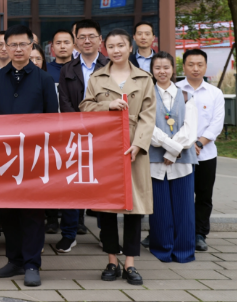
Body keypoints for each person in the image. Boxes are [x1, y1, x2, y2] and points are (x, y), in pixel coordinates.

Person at [0, 25, 58, 288]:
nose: (16, 49)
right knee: (8, 212)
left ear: (31, 46)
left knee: (32, 213)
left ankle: (32, 264)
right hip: (4, 158)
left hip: (34, 158)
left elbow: (52, 120)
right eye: (11, 44)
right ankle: (14, 260)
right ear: (4, 47)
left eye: (22, 44)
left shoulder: (43, 79)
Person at [80, 28, 155, 286]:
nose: (116, 50)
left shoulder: (144, 78)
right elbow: (85, 108)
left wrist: (139, 144)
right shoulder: (97, 77)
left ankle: (130, 263)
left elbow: (149, 115)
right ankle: (111, 260)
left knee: (134, 207)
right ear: (105, 49)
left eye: (121, 45)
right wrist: (107, 106)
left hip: (134, 148)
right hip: (106, 146)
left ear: (130, 47)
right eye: (111, 46)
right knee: (107, 208)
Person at [54, 18, 107, 244]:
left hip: (104, 135)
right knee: (72, 185)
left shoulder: (109, 66)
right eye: (82, 37)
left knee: (104, 185)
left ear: (100, 40)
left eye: (91, 36)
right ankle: (69, 234)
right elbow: (64, 102)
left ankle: (107, 234)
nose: (87, 41)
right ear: (76, 41)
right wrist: (80, 126)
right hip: (75, 135)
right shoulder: (68, 69)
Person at [147, 51, 197, 263]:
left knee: (184, 210)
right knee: (160, 211)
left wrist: (172, 151)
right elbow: (148, 128)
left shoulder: (186, 96)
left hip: (182, 163)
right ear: (152, 70)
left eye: (166, 67)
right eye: (157, 68)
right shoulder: (147, 96)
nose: (162, 71)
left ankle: (184, 251)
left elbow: (190, 130)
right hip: (155, 162)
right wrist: (171, 147)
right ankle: (162, 249)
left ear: (173, 69)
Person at [176, 48, 224, 252]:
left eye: (199, 64)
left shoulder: (215, 93)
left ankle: (199, 234)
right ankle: (176, 231)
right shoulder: (175, 89)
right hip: (179, 153)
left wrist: (199, 143)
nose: (195, 68)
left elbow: (216, 124)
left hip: (206, 154)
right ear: (184, 66)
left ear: (205, 67)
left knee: (204, 196)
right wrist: (185, 144)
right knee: (179, 195)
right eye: (191, 64)